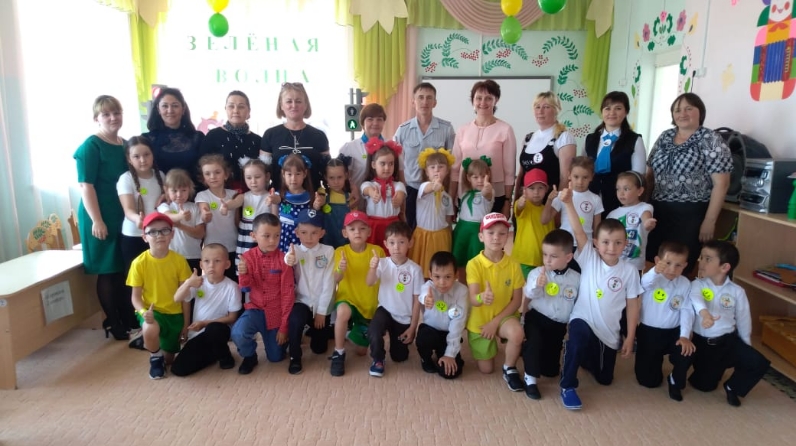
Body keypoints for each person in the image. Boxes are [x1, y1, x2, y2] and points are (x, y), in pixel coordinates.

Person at [557, 186, 642, 410]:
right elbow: (578, 231)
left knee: (605, 379)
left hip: (608, 331)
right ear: (596, 242)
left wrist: (630, 336)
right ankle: (567, 385)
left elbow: (633, 304)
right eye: (605, 242)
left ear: (625, 244)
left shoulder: (630, 271)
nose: (611, 248)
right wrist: (568, 203)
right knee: (577, 340)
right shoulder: (589, 257)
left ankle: (583, 354)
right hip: (583, 318)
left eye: (617, 243)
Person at [646, 93, 733, 273]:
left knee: (678, 268)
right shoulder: (665, 136)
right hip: (658, 212)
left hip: (691, 216)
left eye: (688, 109)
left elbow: (722, 184)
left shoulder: (710, 139)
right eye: (677, 110)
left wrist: (709, 221)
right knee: (653, 265)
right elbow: (650, 175)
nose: (682, 114)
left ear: (700, 112)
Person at [688, 240, 770, 407]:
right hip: (704, 344)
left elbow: (743, 319)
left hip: (728, 341)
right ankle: (711, 372)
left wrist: (746, 346)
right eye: (701, 257)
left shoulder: (737, 291)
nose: (701, 262)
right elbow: (696, 300)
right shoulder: (696, 285)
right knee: (704, 385)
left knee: (758, 363)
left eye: (707, 259)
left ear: (725, 267)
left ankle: (733, 386)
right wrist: (705, 314)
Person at [74, 95, 129, 340]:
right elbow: (86, 185)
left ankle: (126, 317)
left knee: (121, 269)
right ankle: (113, 322)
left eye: (116, 112)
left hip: (121, 214)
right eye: (106, 114)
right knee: (107, 270)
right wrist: (97, 220)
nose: (113, 118)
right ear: (97, 118)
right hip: (99, 214)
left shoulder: (125, 144)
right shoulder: (91, 146)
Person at [466, 212, 526, 393]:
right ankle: (495, 344)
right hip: (480, 323)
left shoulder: (514, 265)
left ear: (508, 236)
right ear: (481, 236)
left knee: (517, 333)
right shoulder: (473, 264)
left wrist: (495, 323)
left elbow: (517, 301)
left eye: (502, 233)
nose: (496, 237)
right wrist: (481, 298)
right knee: (486, 369)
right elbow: (473, 299)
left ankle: (509, 368)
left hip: (503, 317)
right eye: (490, 233)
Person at [127, 212, 192, 379]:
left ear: (172, 234)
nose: (159, 235)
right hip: (152, 312)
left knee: (169, 360)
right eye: (153, 232)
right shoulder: (138, 263)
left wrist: (185, 324)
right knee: (150, 327)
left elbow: (185, 296)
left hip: (175, 314)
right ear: (144, 237)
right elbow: (135, 297)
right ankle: (154, 357)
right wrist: (143, 313)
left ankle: (151, 342)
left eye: (164, 230)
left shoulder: (179, 261)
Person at [117, 136, 166, 347]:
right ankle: (138, 325)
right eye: (136, 156)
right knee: (137, 282)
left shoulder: (160, 176)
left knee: (157, 280)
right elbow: (128, 209)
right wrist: (139, 220)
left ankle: (158, 322)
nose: (143, 160)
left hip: (157, 237)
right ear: (129, 159)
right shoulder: (126, 179)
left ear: (153, 155)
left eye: (146, 154)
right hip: (134, 237)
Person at [232, 213, 295, 375]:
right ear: (254, 236)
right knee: (238, 332)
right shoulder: (247, 257)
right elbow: (245, 288)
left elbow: (288, 295)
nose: (272, 241)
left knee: (276, 357)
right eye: (266, 236)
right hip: (256, 309)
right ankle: (250, 356)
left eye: (277, 235)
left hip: (276, 312)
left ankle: (286, 339)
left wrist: (284, 327)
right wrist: (243, 274)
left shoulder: (284, 260)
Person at [521, 229, 579, 400]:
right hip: (537, 317)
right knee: (534, 343)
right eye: (545, 254)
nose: (547, 260)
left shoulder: (577, 278)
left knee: (550, 370)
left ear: (568, 257)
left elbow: (578, 302)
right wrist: (537, 285)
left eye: (553, 256)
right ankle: (530, 379)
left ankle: (529, 354)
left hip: (558, 324)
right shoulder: (537, 273)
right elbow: (529, 294)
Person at [635, 241, 695, 401]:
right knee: (648, 381)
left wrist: (685, 336)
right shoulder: (652, 278)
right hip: (649, 332)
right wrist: (655, 271)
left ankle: (675, 380)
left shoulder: (685, 283)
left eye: (678, 265)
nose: (672, 269)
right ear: (657, 260)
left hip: (674, 332)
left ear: (685, 265)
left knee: (687, 351)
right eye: (668, 263)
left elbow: (687, 310)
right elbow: (645, 283)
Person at [329, 211, 386, 377]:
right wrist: (340, 269)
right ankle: (338, 352)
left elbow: (381, 279)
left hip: (368, 304)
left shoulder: (377, 251)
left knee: (361, 351)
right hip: (347, 298)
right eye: (352, 229)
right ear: (345, 233)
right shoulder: (340, 251)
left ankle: (349, 332)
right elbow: (335, 279)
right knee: (342, 313)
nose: (357, 232)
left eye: (362, 228)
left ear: (369, 232)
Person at [171, 244, 241, 376]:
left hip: (219, 331)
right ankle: (213, 353)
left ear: (227, 264)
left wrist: (204, 323)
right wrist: (188, 283)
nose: (211, 265)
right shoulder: (198, 283)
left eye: (217, 261)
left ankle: (225, 356)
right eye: (207, 261)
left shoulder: (232, 287)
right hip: (198, 334)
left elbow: (232, 318)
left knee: (214, 329)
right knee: (178, 369)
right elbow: (176, 298)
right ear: (201, 264)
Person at [450, 79, 517, 217]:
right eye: (478, 98)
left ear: (496, 100)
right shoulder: (463, 130)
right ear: (473, 101)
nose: (483, 102)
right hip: (466, 193)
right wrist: (451, 200)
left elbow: (509, 172)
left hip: (495, 195)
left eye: (488, 98)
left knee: (492, 231)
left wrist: (507, 202)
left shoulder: (505, 130)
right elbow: (455, 170)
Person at [394, 83, 456, 229]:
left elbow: (452, 164)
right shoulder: (403, 130)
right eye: (420, 97)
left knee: (434, 229)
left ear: (435, 102)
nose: (425, 102)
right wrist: (401, 188)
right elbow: (397, 163)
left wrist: (450, 192)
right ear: (413, 102)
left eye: (429, 98)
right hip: (411, 189)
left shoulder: (446, 129)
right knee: (410, 230)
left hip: (437, 189)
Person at [366, 221, 422, 377]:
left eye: (401, 242)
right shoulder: (382, 263)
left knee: (399, 357)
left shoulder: (415, 270)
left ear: (410, 243)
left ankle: (399, 340)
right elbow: (369, 282)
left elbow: (417, 301)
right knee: (374, 331)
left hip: (403, 316)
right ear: (386, 244)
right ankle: (378, 359)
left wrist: (413, 327)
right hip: (384, 309)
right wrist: (372, 268)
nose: (396, 247)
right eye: (392, 243)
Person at [284, 209, 335, 375]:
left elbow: (329, 283)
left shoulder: (328, 251)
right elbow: (289, 258)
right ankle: (295, 357)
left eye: (314, 233)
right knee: (295, 320)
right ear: (297, 232)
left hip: (321, 303)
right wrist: (288, 259)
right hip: (302, 301)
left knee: (319, 349)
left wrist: (321, 312)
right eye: (304, 232)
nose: (309, 237)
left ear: (322, 233)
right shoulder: (296, 251)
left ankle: (313, 329)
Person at [585, 91, 646, 217]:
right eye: (607, 108)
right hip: (590, 200)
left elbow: (637, 177)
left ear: (626, 112)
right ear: (602, 112)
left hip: (620, 202)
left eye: (618, 108)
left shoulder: (634, 140)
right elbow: (583, 168)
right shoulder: (590, 139)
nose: (612, 113)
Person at [262, 82, 330, 191]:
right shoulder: (270, 135)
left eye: (298, 101)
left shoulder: (319, 136)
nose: (294, 105)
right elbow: (263, 173)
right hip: (278, 197)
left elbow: (328, 172)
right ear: (281, 105)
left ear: (306, 105)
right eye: (289, 101)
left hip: (313, 197)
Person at [515, 92, 576, 201]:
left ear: (556, 110)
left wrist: (557, 206)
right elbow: (521, 175)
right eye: (537, 107)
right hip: (525, 206)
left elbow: (565, 178)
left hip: (549, 204)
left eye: (546, 107)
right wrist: (515, 202)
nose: (540, 111)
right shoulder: (528, 138)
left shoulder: (564, 137)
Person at [416, 251, 468, 379]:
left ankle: (445, 353)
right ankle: (425, 358)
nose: (442, 282)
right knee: (423, 337)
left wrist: (450, 354)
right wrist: (426, 299)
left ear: (456, 275)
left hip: (449, 333)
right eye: (437, 276)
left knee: (450, 372)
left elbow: (457, 324)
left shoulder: (462, 291)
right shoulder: (428, 287)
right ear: (430, 275)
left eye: (448, 277)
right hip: (430, 330)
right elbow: (423, 294)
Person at [199, 90, 265, 191]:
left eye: (241, 107)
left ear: (248, 111)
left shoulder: (258, 140)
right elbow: (202, 167)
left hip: (251, 194)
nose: (235, 110)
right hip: (219, 193)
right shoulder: (213, 136)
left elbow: (263, 171)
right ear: (225, 109)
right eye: (231, 106)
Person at [221, 156, 277, 264]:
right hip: (247, 235)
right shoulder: (244, 196)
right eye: (249, 178)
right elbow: (235, 202)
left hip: (265, 234)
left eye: (257, 177)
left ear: (267, 176)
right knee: (246, 262)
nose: (253, 181)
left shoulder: (271, 196)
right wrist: (226, 206)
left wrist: (274, 201)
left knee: (264, 262)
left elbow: (275, 217)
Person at [409, 148, 456, 278]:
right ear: (427, 172)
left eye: (441, 167)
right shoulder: (424, 187)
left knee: (440, 270)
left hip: (441, 237)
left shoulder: (447, 197)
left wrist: (450, 237)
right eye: (432, 167)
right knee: (421, 270)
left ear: (447, 171)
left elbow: (448, 221)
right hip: (423, 237)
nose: (436, 170)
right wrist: (435, 186)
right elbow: (430, 188)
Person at [143, 88, 204, 182]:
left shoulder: (198, 138)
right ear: (158, 109)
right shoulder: (147, 140)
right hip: (159, 190)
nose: (170, 110)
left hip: (194, 190)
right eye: (165, 106)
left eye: (175, 106)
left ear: (183, 109)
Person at [544, 156, 603, 249]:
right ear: (569, 175)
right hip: (564, 245)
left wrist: (597, 248)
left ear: (592, 176)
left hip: (585, 246)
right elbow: (545, 220)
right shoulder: (562, 195)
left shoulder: (596, 199)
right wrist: (549, 200)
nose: (580, 182)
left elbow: (597, 228)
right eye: (576, 177)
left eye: (585, 177)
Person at [195, 154, 238, 281]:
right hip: (212, 248)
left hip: (233, 245)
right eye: (207, 174)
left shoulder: (234, 194)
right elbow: (204, 211)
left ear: (226, 175)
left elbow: (237, 220)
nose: (213, 177)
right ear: (203, 178)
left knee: (233, 281)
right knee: (214, 281)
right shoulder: (202, 196)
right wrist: (205, 215)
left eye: (217, 172)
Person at [451, 156, 494, 283]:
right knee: (460, 260)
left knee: (475, 261)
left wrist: (487, 188)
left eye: (483, 176)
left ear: (488, 176)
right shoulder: (465, 193)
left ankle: (474, 286)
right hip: (461, 230)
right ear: (468, 178)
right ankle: (462, 285)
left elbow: (487, 194)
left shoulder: (489, 192)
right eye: (475, 177)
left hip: (477, 232)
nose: (480, 180)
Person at [360, 139, 406, 253]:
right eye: (383, 163)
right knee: (374, 254)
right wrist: (372, 193)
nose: (387, 168)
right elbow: (365, 189)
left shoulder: (398, 185)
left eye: (391, 164)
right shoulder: (369, 184)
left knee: (392, 253)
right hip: (374, 226)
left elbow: (401, 193)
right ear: (373, 165)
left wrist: (399, 199)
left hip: (393, 226)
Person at [339, 103, 387, 207]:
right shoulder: (349, 148)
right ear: (362, 122)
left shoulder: (390, 147)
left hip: (383, 207)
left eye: (379, 119)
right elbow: (339, 176)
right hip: (357, 203)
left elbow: (399, 177)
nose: (375, 123)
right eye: (370, 119)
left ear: (384, 122)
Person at [606, 171, 656, 272]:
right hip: (615, 262)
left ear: (640, 191)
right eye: (618, 189)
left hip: (635, 264)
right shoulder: (612, 214)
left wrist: (647, 223)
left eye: (626, 189)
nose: (621, 193)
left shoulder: (644, 207)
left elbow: (646, 216)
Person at [157, 168, 205, 273]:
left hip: (193, 255)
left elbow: (200, 233)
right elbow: (167, 216)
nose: (179, 194)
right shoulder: (164, 206)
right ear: (166, 190)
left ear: (189, 189)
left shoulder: (195, 207)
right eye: (174, 191)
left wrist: (180, 225)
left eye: (183, 190)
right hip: (170, 255)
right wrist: (180, 216)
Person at [511, 169, 556, 278]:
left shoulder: (547, 210)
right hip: (524, 259)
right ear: (524, 190)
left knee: (538, 287)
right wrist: (520, 203)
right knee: (527, 287)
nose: (536, 192)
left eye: (540, 188)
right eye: (531, 188)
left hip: (543, 260)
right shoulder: (524, 204)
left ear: (546, 189)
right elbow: (518, 208)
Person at [276, 153, 323, 254]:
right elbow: (274, 216)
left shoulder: (310, 196)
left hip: (304, 237)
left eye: (298, 174)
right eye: (289, 174)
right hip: (284, 237)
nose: (293, 178)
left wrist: (316, 207)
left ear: (304, 174)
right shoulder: (279, 195)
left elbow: (312, 217)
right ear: (283, 174)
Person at [320, 155, 356, 249]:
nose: (336, 182)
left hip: (346, 244)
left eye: (339, 177)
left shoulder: (350, 197)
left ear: (346, 175)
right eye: (331, 178)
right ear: (325, 177)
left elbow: (354, 222)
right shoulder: (322, 193)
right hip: (326, 244)